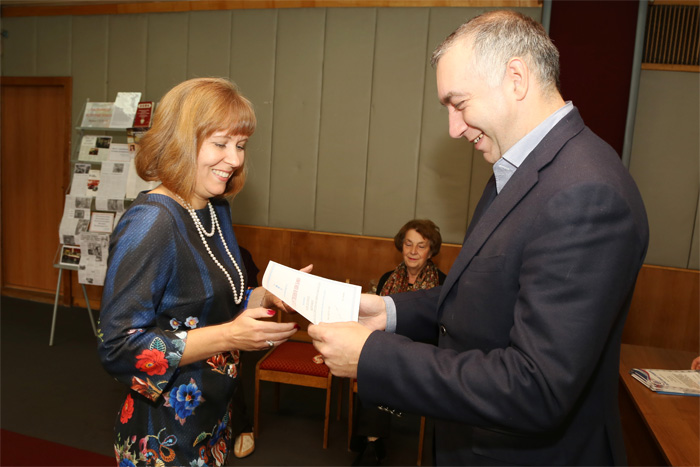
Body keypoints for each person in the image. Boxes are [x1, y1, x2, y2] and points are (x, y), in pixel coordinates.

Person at [309, 10, 649, 466]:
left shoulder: (585, 193)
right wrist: (388, 312)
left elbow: (536, 387)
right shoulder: (518, 170)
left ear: (516, 78)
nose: (454, 128)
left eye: (459, 103)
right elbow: (482, 296)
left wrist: (373, 357)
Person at [98, 77, 300, 466]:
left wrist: (265, 295)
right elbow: (117, 347)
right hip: (163, 434)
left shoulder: (213, 208)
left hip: (211, 418)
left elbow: (208, 305)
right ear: (180, 142)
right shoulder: (152, 221)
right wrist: (230, 335)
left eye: (240, 145)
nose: (235, 160)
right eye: (221, 144)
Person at [352, 219, 446, 465]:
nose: (413, 251)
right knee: (372, 365)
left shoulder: (443, 284)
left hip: (423, 352)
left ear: (431, 251)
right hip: (389, 347)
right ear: (401, 246)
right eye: (408, 244)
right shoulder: (388, 278)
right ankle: (373, 442)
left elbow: (440, 331)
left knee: (381, 364)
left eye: (421, 246)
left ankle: (371, 444)